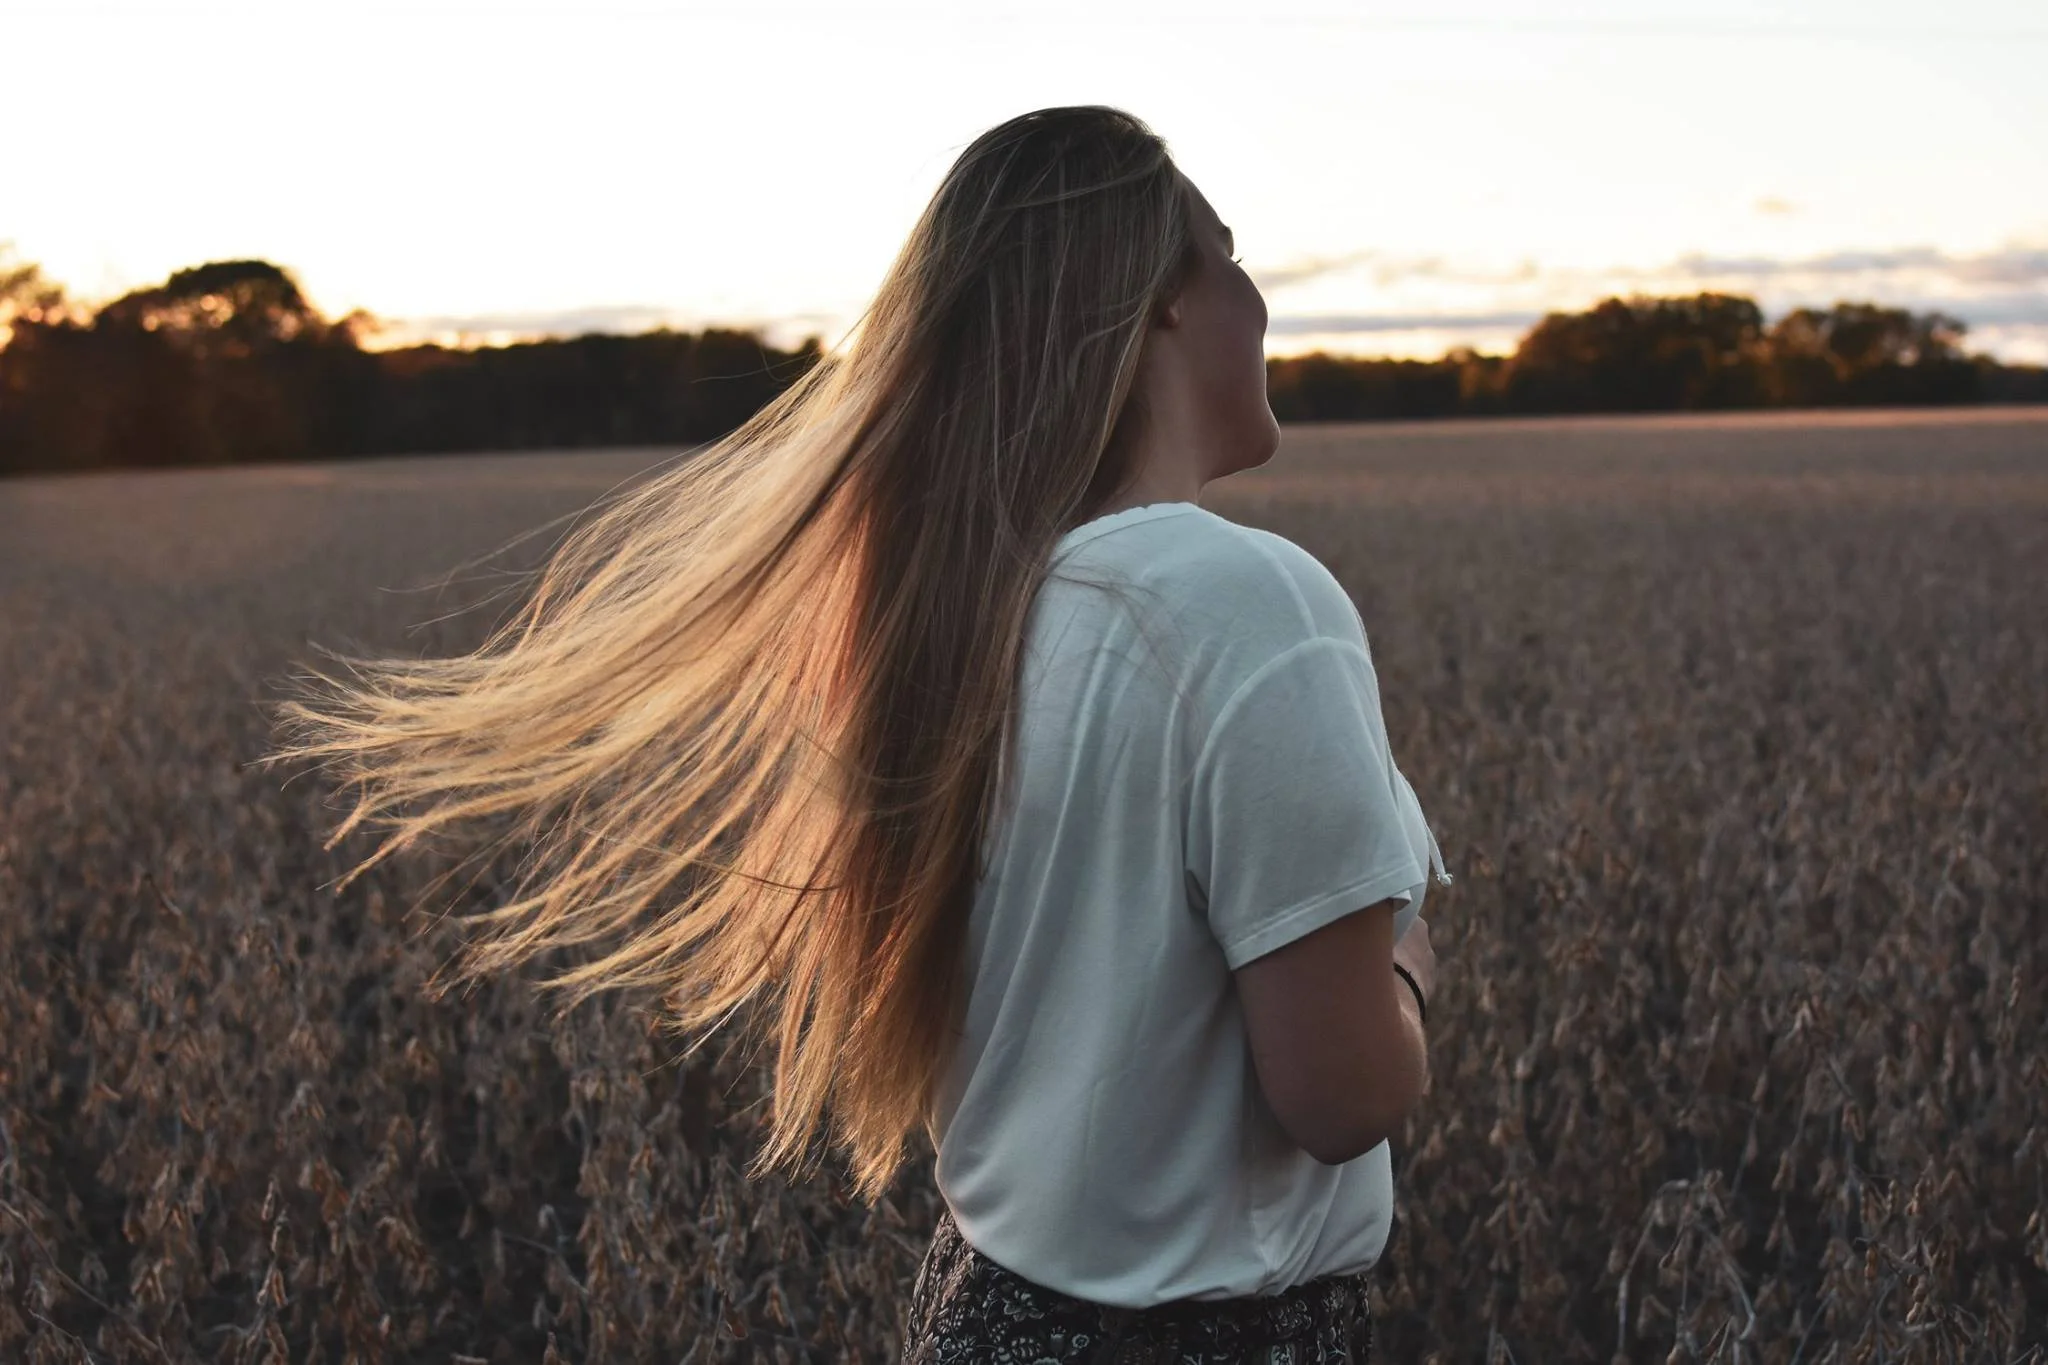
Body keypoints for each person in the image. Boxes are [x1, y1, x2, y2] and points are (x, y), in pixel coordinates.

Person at [266, 104, 1449, 1365]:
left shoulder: (956, 612)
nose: (1258, 298)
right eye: (1230, 254)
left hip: (982, 1313)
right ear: (1161, 299)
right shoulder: (1244, 601)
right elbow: (1344, 1098)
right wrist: (1412, 961)